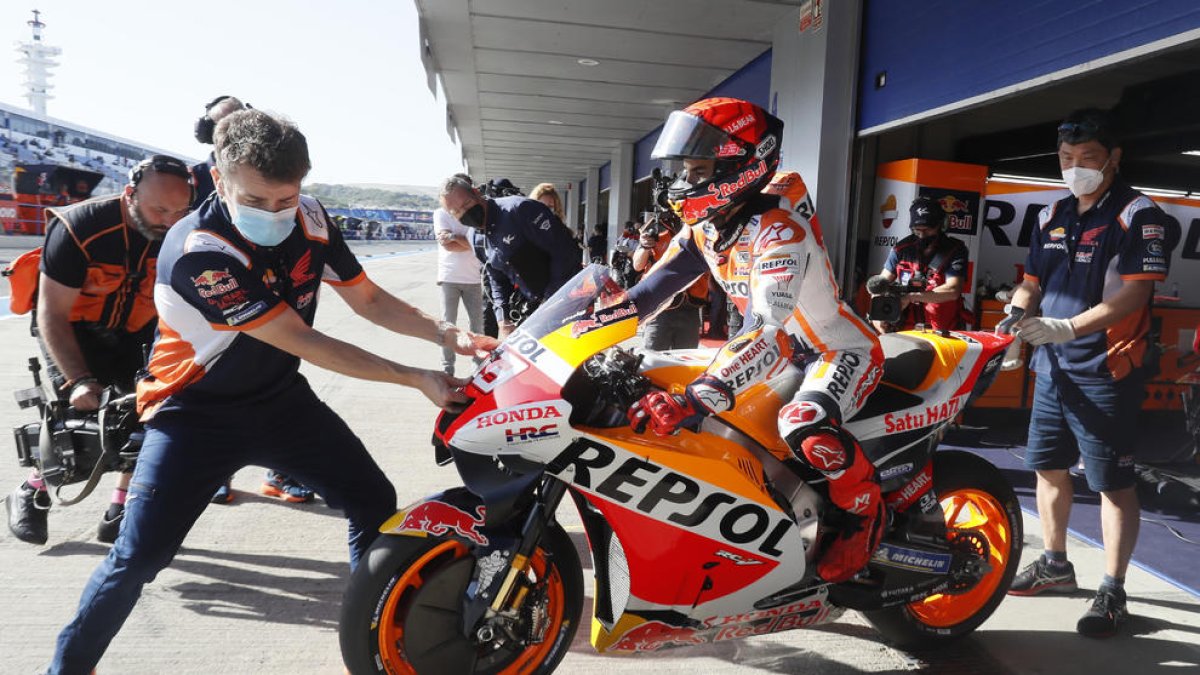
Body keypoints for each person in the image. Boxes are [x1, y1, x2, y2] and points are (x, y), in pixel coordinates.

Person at [46, 109, 497, 674]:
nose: (275, 213)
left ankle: (373, 636)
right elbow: (301, 338)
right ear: (217, 175)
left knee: (372, 502)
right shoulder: (199, 253)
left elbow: (369, 300)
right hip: (192, 415)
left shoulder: (309, 217)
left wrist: (447, 332)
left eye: (286, 198)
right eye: (256, 201)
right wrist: (415, 377)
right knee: (138, 558)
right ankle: (66, 669)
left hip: (280, 401)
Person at [625, 98, 884, 583]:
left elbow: (765, 328)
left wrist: (698, 394)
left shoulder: (781, 229)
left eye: (699, 169)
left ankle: (863, 516)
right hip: (782, 355)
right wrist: (578, 328)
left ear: (740, 167)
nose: (686, 182)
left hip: (834, 350)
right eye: (684, 169)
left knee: (801, 422)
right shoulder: (706, 228)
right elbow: (647, 294)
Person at [997, 108, 1170, 638]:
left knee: (1112, 483)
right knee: (1047, 469)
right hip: (1053, 367)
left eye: (1088, 159)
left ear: (1113, 159)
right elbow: (1031, 281)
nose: (1075, 168)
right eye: (1066, 158)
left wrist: (1069, 327)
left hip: (1107, 368)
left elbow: (1135, 292)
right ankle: (1055, 565)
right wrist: (1017, 317)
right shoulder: (1052, 214)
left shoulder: (1140, 214)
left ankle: (1113, 589)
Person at [4, 155, 193, 546]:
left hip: (137, 328)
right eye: (159, 209)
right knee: (79, 422)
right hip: (72, 326)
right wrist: (78, 380)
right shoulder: (80, 227)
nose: (169, 221)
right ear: (130, 194)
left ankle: (119, 509)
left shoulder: (182, 232)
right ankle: (31, 491)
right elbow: (51, 314)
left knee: (147, 417)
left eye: (180, 211)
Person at [439, 173, 580, 337]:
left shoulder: (520, 210)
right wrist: (503, 318)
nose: (465, 212)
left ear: (477, 193)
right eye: (456, 211)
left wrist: (551, 300)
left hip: (568, 298)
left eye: (467, 203)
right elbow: (496, 277)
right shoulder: (474, 238)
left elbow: (564, 252)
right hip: (535, 306)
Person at [869, 196, 969, 332]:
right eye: (917, 230)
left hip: (944, 334)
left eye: (927, 230)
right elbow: (880, 285)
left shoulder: (955, 250)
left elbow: (953, 290)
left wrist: (910, 297)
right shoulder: (901, 249)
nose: (922, 235)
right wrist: (878, 318)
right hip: (905, 331)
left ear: (940, 225)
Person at [631, 214, 707, 350]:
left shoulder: (701, 220)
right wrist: (644, 246)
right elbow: (637, 265)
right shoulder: (655, 225)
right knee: (652, 359)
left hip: (691, 305)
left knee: (685, 362)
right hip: (660, 307)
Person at [433, 205, 484, 375]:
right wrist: (467, 241)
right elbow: (447, 245)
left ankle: (478, 369)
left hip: (473, 279)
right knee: (447, 326)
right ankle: (447, 369)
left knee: (477, 327)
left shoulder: (474, 215)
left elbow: (478, 244)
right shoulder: (441, 213)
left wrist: (453, 236)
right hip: (449, 278)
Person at [190, 95, 247, 207]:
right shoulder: (192, 181)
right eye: (224, 127)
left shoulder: (260, 179)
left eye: (238, 127)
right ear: (208, 132)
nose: (232, 134)